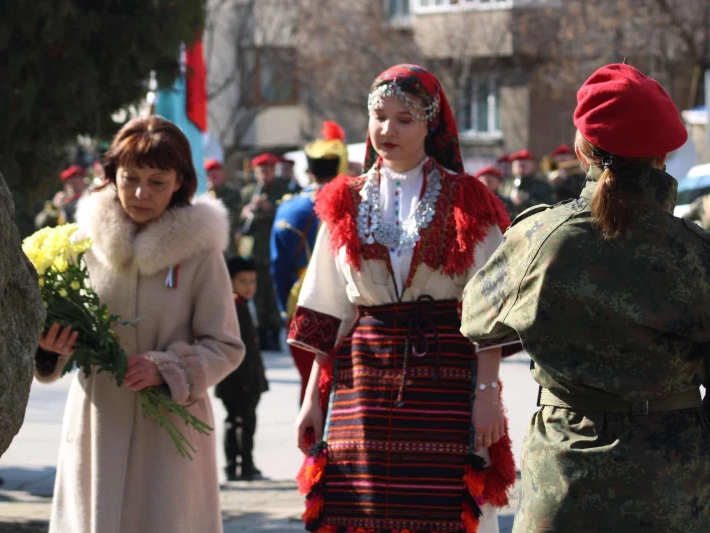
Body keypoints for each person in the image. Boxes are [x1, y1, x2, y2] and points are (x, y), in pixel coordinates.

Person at [460, 63, 710, 532]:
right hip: (674, 489)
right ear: (662, 156)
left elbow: (476, 318)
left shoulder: (540, 238)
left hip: (564, 479)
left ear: (581, 149)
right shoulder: (696, 252)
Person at [288, 65, 516, 533]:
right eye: (378, 116)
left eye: (404, 119)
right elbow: (328, 309)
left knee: (445, 508)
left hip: (446, 376)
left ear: (431, 124)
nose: (386, 130)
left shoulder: (467, 199)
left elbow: (492, 308)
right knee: (359, 510)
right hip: (362, 385)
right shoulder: (343, 200)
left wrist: (488, 392)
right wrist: (312, 400)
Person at [33, 116, 245, 533]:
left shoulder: (201, 253)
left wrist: (169, 369)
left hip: (169, 433)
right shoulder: (81, 244)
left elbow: (225, 345)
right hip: (97, 424)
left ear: (180, 181)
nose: (140, 193)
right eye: (129, 178)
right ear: (111, 175)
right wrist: (49, 349)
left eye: (157, 181)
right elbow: (56, 332)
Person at [271, 120, 348, 404]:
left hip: (301, 303)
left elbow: (278, 267)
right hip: (347, 307)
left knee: (310, 386)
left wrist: (284, 309)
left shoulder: (289, 207)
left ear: (309, 170)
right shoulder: (351, 203)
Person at [216, 256, 269, 482]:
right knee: (241, 422)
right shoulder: (233, 308)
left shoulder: (245, 306)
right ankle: (241, 465)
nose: (249, 287)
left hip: (246, 377)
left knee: (242, 421)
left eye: (252, 282)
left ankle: (239, 464)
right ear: (230, 281)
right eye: (243, 281)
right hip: (238, 378)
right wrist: (248, 379)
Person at [239, 153, 289, 351]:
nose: (264, 174)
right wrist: (246, 212)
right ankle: (260, 334)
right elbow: (240, 224)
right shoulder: (248, 192)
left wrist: (269, 208)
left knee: (274, 293)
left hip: (275, 251)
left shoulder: (282, 190)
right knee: (257, 294)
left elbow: (284, 215)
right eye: (260, 171)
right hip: (254, 252)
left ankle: (275, 333)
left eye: (267, 170)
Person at [205, 158, 241, 258]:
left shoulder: (233, 194)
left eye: (215, 175)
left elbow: (231, 218)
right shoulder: (204, 194)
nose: (212, 178)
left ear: (223, 175)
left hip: (227, 247)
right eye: (210, 175)